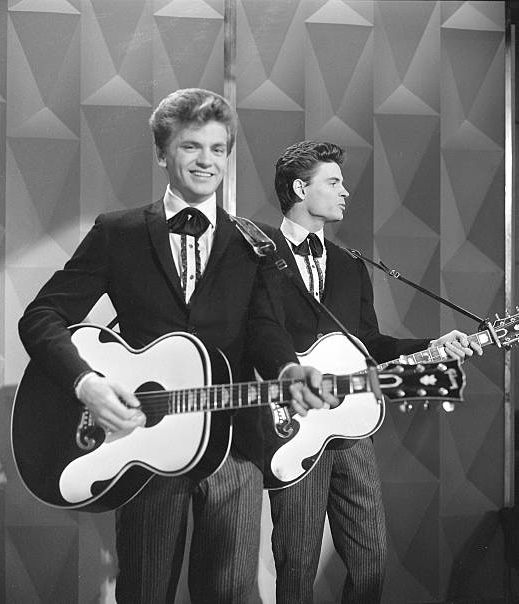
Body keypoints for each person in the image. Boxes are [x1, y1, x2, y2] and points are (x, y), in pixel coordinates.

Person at [18, 89, 334, 604]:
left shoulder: (255, 242)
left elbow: (265, 329)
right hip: (143, 445)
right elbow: (42, 317)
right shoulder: (118, 232)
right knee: (145, 591)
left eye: (218, 148)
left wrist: (288, 369)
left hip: (233, 446)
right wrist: (86, 383)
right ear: (162, 153)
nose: (206, 161)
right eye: (191, 146)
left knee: (229, 594)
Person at [260, 140, 483, 604]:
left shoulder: (349, 264)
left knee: (371, 561)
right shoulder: (260, 256)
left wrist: (432, 347)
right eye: (333, 182)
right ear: (300, 188)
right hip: (293, 429)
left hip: (351, 429)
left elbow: (370, 346)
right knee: (296, 567)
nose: (345, 192)